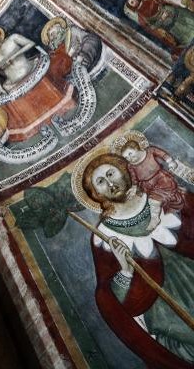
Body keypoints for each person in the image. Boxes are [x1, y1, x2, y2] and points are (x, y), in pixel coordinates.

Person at [77, 152, 194, 366]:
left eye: (111, 173)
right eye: (100, 182)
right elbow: (111, 298)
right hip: (165, 311)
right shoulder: (104, 237)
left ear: (124, 171)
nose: (110, 183)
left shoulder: (161, 196)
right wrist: (125, 270)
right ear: (96, 194)